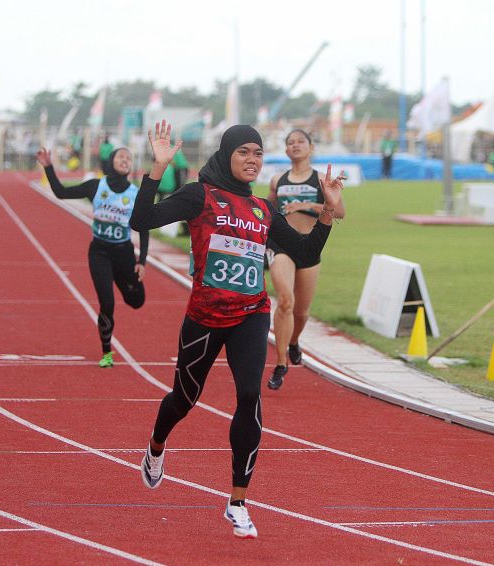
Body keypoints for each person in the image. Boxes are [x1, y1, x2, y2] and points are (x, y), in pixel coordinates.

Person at [130, 121, 345, 539]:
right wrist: (157, 169)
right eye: (245, 152)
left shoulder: (263, 210)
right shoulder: (200, 195)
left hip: (251, 314)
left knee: (250, 395)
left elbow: (303, 252)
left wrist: (327, 212)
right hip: (205, 317)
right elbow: (143, 219)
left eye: (259, 153)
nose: (253, 160)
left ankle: (238, 502)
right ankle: (156, 446)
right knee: (185, 398)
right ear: (227, 154)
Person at [36, 145, 148, 368]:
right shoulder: (96, 186)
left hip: (124, 254)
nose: (125, 160)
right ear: (112, 161)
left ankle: (120, 279)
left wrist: (141, 261)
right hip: (100, 253)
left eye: (129, 157)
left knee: (137, 301)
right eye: (121, 156)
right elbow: (60, 192)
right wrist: (49, 167)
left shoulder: (136, 194)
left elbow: (144, 228)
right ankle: (107, 352)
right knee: (107, 303)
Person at [265, 130, 346, 390]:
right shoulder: (277, 180)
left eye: (300, 141)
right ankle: (280, 364)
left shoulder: (322, 179)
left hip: (309, 247)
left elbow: (340, 213)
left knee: (301, 311)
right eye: (290, 142)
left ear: (311, 147)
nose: (295, 145)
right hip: (281, 247)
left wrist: (307, 206)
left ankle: (293, 342)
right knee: (285, 301)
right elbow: (267, 213)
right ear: (286, 150)